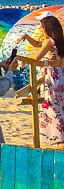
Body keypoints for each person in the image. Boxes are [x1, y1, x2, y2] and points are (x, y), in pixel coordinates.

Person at [20, 14, 64, 148]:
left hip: (52, 76)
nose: (41, 29)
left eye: (42, 27)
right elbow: (39, 44)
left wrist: (23, 60)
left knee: (53, 106)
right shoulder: (59, 40)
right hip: (61, 74)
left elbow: (37, 56)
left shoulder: (49, 41)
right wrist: (27, 38)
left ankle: (59, 137)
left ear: (47, 28)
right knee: (61, 105)